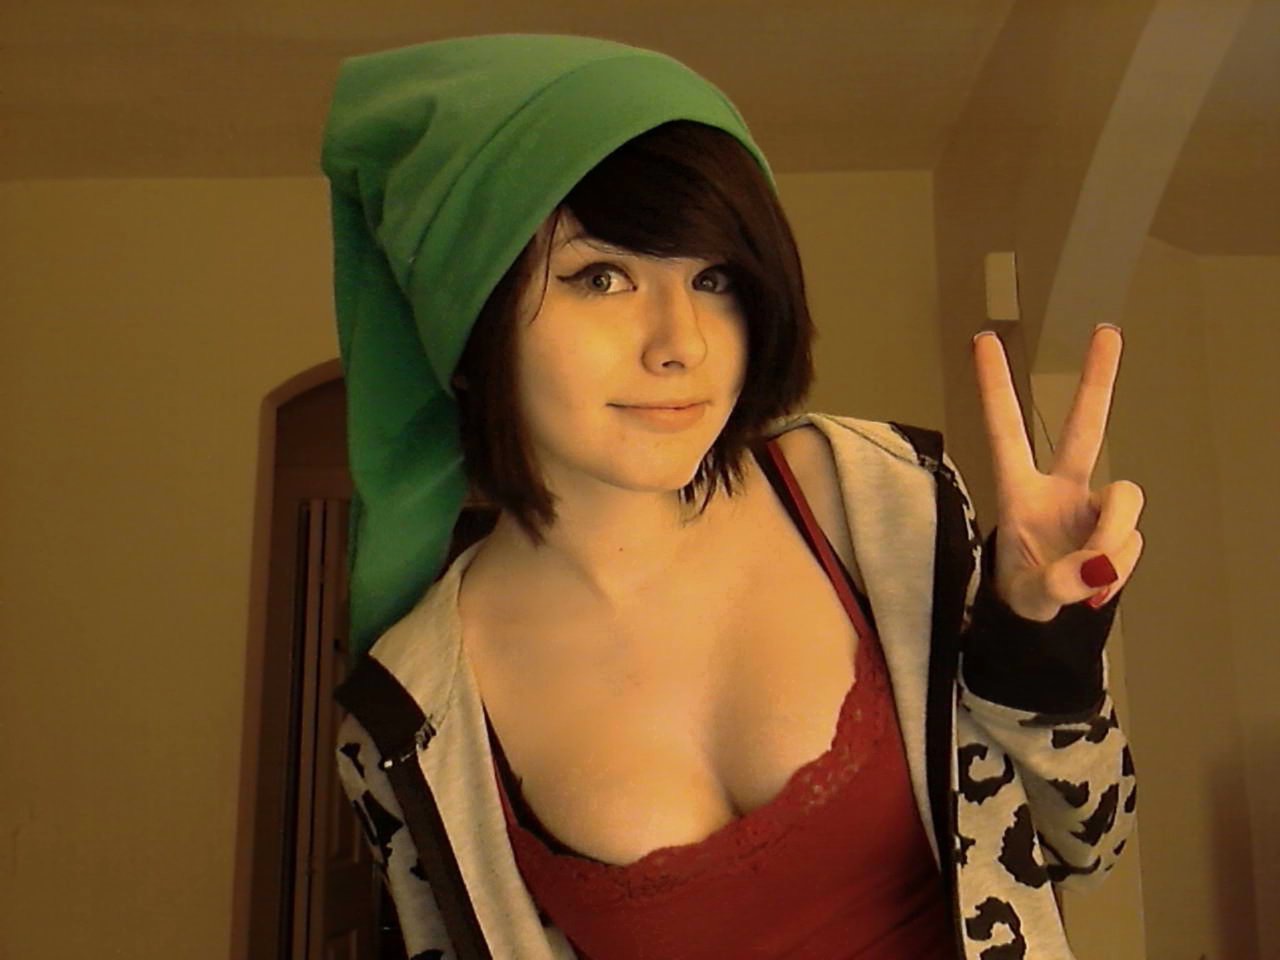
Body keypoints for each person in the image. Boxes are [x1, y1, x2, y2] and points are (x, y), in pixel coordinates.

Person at [320, 33, 1143, 960]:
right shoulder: (413, 713)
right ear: (468, 318)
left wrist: (1036, 644)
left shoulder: (878, 500)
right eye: (602, 277)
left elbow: (1088, 846)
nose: (682, 343)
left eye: (713, 279)